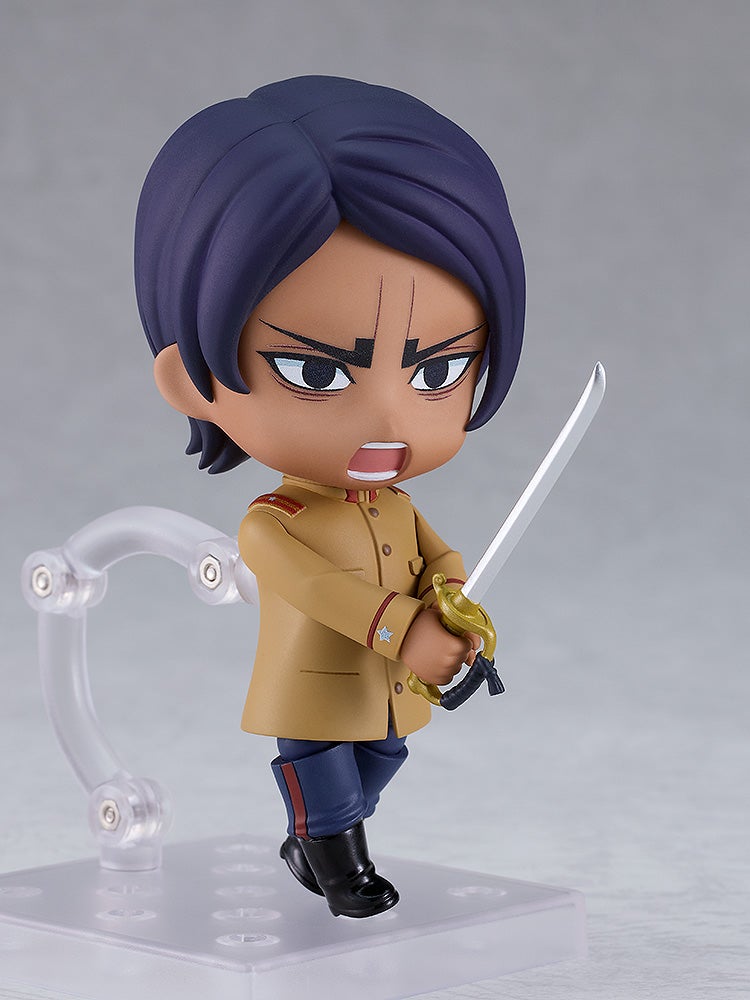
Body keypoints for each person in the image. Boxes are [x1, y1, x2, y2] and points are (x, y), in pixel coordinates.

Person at [134, 75, 525, 917]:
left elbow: (434, 552)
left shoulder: (392, 505)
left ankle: (313, 842)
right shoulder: (272, 522)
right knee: (327, 780)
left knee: (384, 758)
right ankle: (343, 870)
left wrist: (451, 596)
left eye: (440, 371)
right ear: (192, 381)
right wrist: (406, 629)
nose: (389, 418)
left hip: (387, 685)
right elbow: (317, 589)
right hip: (313, 686)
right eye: (315, 373)